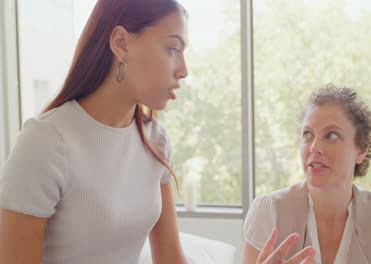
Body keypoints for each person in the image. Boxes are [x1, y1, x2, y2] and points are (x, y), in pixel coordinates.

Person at [0, 0, 314, 263]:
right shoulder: (46, 143)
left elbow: (171, 260)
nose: (184, 69)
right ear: (121, 43)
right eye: (172, 49)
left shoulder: (155, 140)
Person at [243, 84, 371, 264]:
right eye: (307, 134)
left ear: (361, 150)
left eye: (331, 136)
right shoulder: (268, 211)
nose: (314, 147)